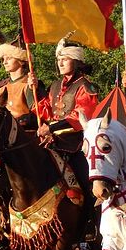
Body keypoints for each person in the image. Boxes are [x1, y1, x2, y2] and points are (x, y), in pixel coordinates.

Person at [34, 38, 98, 236]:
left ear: (76, 60)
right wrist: (34, 89)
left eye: (65, 58)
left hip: (75, 144)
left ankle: (91, 224)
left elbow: (81, 116)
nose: (60, 62)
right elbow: (43, 111)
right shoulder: (54, 86)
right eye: (59, 59)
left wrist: (51, 128)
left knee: (88, 183)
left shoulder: (86, 86)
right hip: (51, 145)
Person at [0, 42, 44, 131]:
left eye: (8, 58)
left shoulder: (29, 85)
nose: (4, 62)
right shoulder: (1, 88)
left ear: (21, 61)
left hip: (26, 134)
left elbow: (38, 114)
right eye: (3, 59)